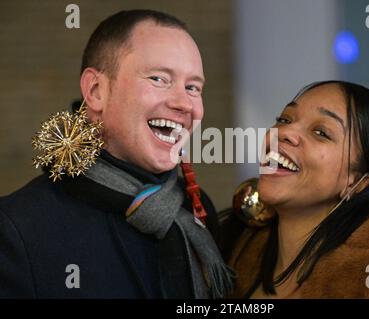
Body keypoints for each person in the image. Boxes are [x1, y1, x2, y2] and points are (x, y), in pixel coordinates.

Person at [0, 10, 233, 298]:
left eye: (193, 87)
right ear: (96, 91)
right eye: (159, 79)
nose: (184, 103)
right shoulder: (15, 229)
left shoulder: (197, 209)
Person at [226, 81, 369, 298]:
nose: (285, 132)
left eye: (321, 132)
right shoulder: (229, 248)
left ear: (357, 183)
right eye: (284, 119)